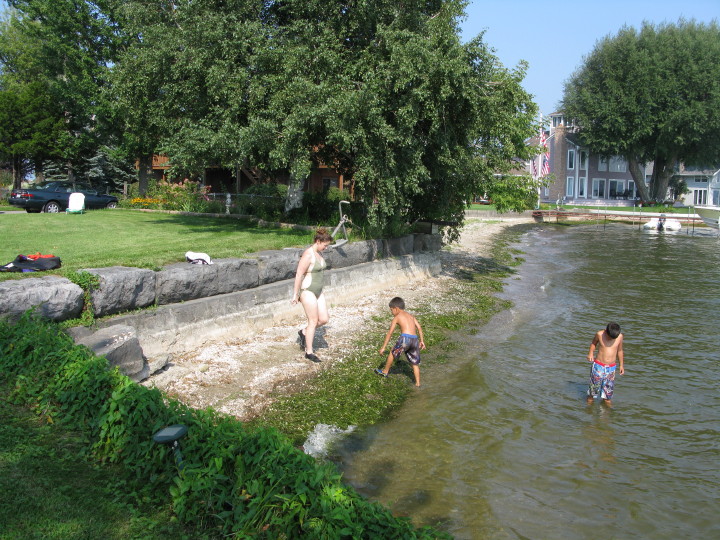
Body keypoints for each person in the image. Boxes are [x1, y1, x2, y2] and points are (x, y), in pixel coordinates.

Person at [291, 228, 333, 362]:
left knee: (324, 319)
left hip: (319, 291)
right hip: (308, 290)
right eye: (325, 245)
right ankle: (309, 352)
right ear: (318, 241)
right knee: (313, 321)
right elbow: (298, 275)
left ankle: (304, 332)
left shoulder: (319, 253)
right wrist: (295, 294)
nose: (326, 248)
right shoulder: (308, 254)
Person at [375, 297, 426, 386]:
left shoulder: (397, 317)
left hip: (405, 340)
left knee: (393, 352)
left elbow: (390, 333)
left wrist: (383, 347)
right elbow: (419, 328)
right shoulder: (411, 316)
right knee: (415, 363)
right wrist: (422, 341)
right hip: (415, 340)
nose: (391, 313)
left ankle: (385, 371)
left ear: (396, 308)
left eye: (391, 310)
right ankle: (418, 383)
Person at [586, 322, 625, 405]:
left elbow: (620, 350)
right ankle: (589, 411)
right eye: (609, 337)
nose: (611, 339)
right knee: (592, 394)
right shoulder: (600, 334)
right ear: (605, 331)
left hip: (611, 369)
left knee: (608, 396)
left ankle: (607, 414)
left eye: (613, 338)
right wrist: (590, 353)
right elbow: (593, 343)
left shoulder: (620, 337)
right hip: (598, 366)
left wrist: (621, 365)